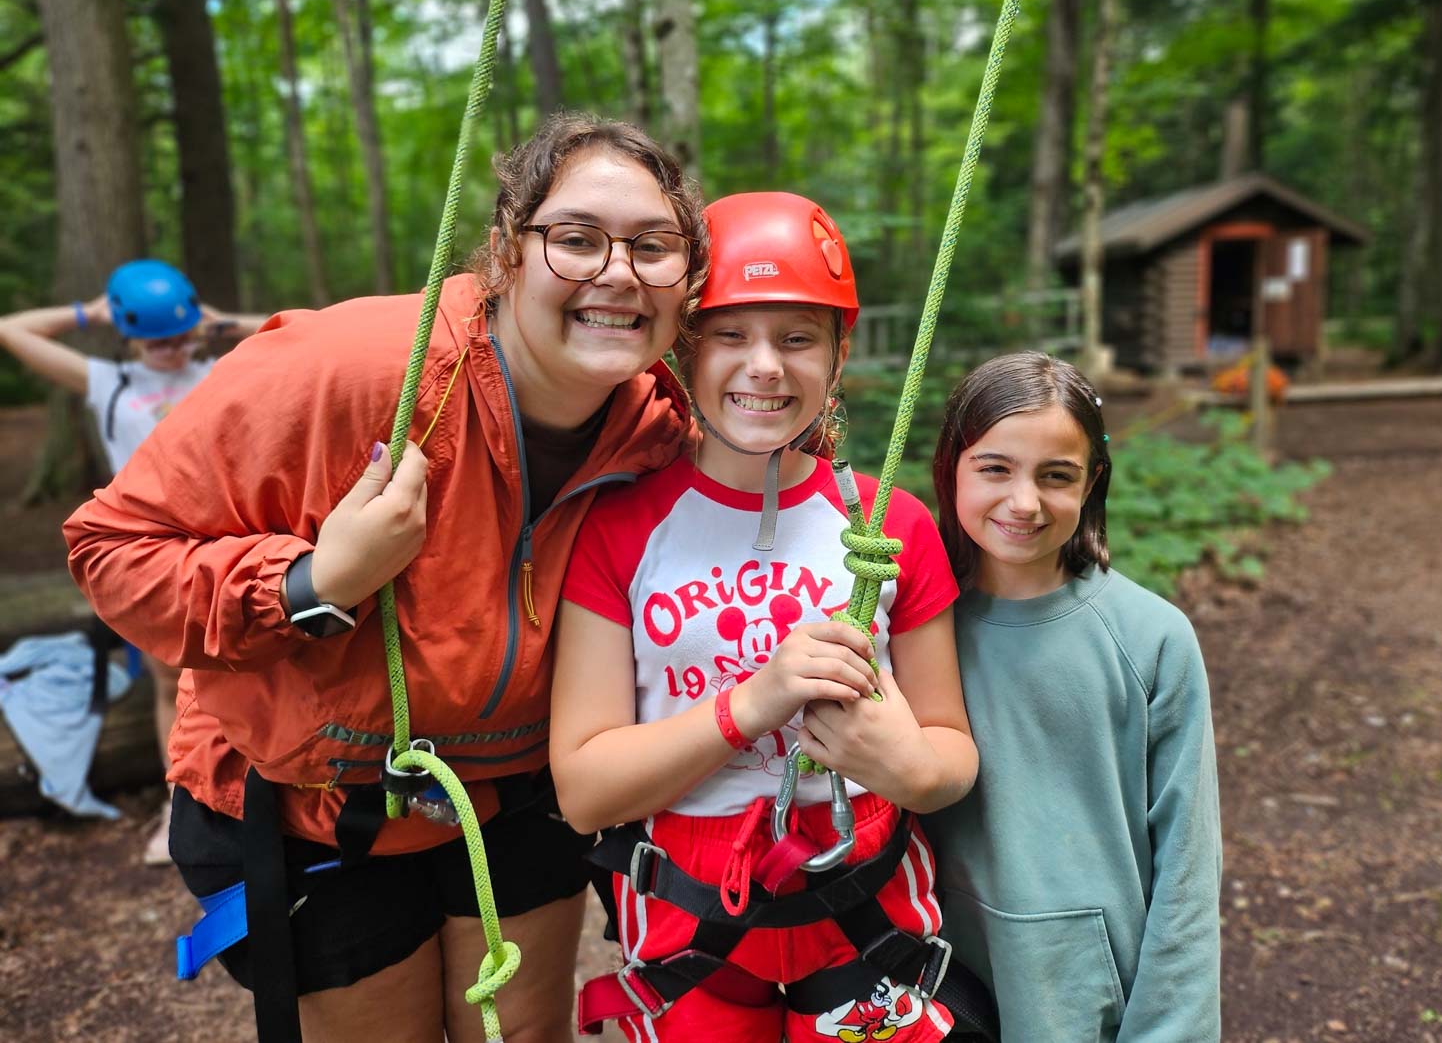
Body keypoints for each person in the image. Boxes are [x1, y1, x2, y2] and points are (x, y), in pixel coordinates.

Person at [64, 113, 707, 1042]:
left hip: (521, 793)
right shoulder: (356, 370)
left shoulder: (663, 430)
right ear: (502, 254)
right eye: (573, 238)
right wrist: (312, 581)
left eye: (654, 246)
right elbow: (112, 546)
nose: (617, 271)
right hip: (317, 809)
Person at [551, 191, 978, 1043]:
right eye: (731, 335)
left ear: (838, 354)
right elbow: (583, 789)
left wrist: (911, 771)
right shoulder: (618, 528)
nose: (765, 367)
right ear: (683, 348)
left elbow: (950, 752)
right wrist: (755, 700)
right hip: (690, 913)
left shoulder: (888, 526)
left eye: (796, 338)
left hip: (866, 894)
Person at [922, 352, 1222, 1043]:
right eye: (994, 468)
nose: (1023, 502)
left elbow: (1187, 867)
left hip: (1083, 995)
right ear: (951, 467)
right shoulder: (912, 627)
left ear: (1090, 484)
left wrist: (1169, 1028)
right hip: (932, 980)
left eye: (1054, 476)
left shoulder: (1150, 638)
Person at [0, 263, 269, 863]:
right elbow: (11, 331)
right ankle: (179, 803)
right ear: (128, 335)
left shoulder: (217, 369)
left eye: (178, 337)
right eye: (156, 341)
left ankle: (259, 795)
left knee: (251, 667)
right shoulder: (109, 380)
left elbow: (295, 331)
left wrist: (220, 325)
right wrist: (87, 314)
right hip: (152, 548)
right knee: (170, 680)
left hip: (226, 538)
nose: (171, 351)